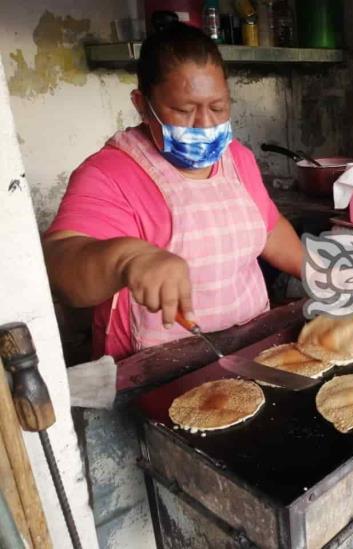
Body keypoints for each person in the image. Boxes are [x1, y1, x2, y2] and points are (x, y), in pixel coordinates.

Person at [43, 23, 303, 361]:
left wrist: (317, 271)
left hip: (249, 350)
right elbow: (61, 268)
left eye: (218, 107)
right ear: (141, 103)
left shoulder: (237, 158)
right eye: (184, 110)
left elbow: (268, 227)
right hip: (158, 371)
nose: (205, 124)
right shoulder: (109, 173)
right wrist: (128, 258)